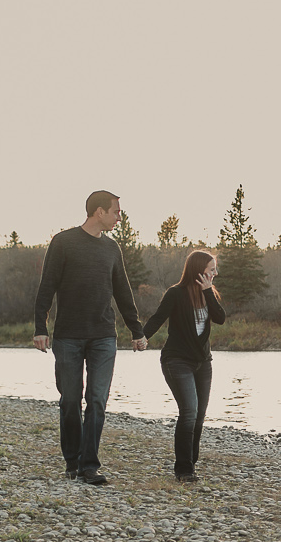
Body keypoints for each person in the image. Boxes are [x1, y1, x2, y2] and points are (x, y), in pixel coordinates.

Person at [33, 190, 146, 485]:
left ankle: (89, 465)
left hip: (103, 336)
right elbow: (47, 286)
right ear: (99, 212)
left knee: (96, 400)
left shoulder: (112, 249)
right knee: (70, 400)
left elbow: (123, 291)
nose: (119, 216)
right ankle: (72, 460)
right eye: (116, 211)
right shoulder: (63, 243)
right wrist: (40, 327)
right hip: (68, 336)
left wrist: (137, 331)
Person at [142, 249, 226, 482]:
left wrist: (208, 291)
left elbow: (220, 318)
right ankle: (184, 469)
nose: (215, 273)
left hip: (203, 362)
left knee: (199, 415)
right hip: (176, 360)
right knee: (189, 411)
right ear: (199, 271)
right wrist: (142, 337)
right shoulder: (176, 293)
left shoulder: (209, 293)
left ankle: (191, 462)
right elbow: (158, 317)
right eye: (211, 270)